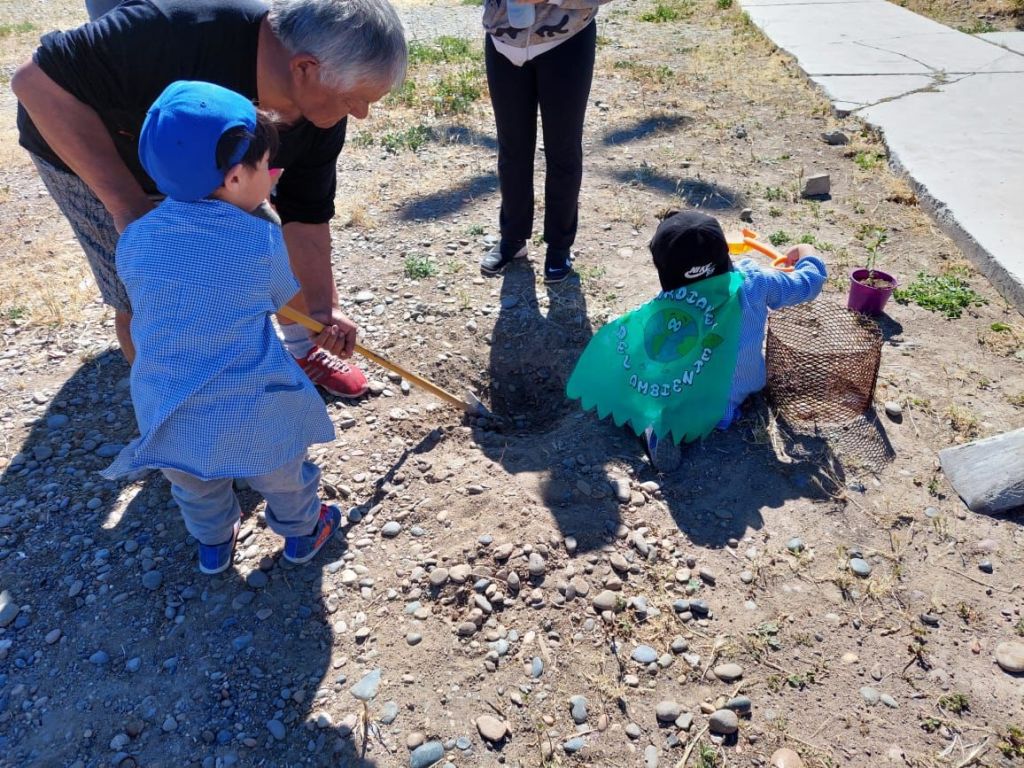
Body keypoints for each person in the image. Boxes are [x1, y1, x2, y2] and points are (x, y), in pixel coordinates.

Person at [11, 0, 407, 398]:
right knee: (150, 289)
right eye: (355, 98)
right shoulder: (173, 30)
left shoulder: (320, 110)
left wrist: (322, 309)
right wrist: (131, 210)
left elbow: (305, 213)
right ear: (304, 68)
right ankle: (175, 409)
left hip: (213, 167)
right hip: (97, 146)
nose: (361, 114)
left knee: (268, 244)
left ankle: (304, 348)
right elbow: (34, 83)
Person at [102, 80, 342, 574]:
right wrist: (322, 325)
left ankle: (213, 545)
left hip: (165, 409)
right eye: (266, 168)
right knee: (284, 477)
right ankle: (302, 534)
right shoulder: (260, 240)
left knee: (195, 487)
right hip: (251, 407)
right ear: (234, 178)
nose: (273, 177)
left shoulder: (135, 239)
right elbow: (286, 304)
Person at [642, 210, 828, 470]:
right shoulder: (755, 281)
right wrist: (806, 251)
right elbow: (809, 283)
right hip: (742, 387)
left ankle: (658, 425)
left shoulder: (664, 309)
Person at [479, 0, 611, 284]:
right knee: (512, 150)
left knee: (563, 149)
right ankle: (513, 239)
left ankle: (559, 246)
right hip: (502, 43)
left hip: (566, 42)